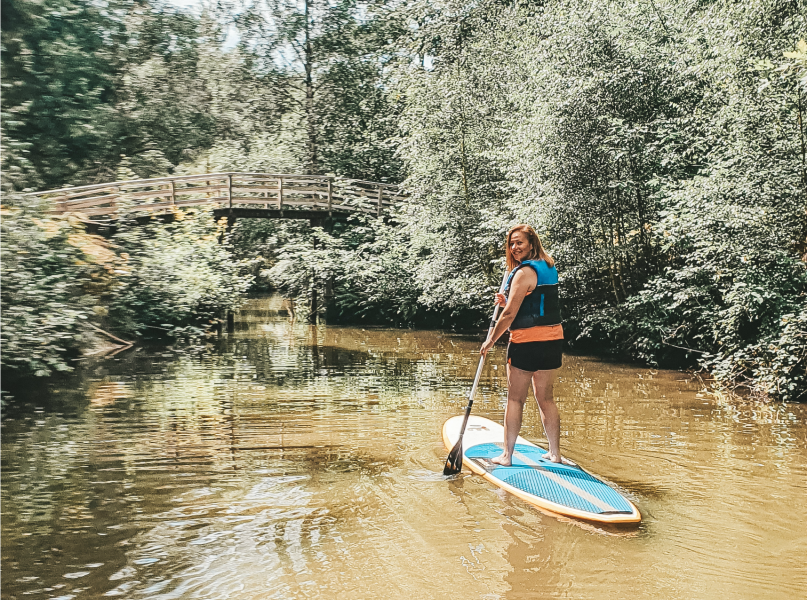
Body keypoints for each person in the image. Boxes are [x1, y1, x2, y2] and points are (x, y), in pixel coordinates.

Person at [479, 224, 564, 465]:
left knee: (515, 399)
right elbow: (536, 302)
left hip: (526, 343)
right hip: (552, 341)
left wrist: (490, 340)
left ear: (531, 243)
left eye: (519, 243)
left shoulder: (523, 272)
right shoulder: (549, 266)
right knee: (546, 398)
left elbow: (508, 315)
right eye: (511, 243)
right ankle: (555, 453)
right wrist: (508, 299)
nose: (514, 247)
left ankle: (506, 456)